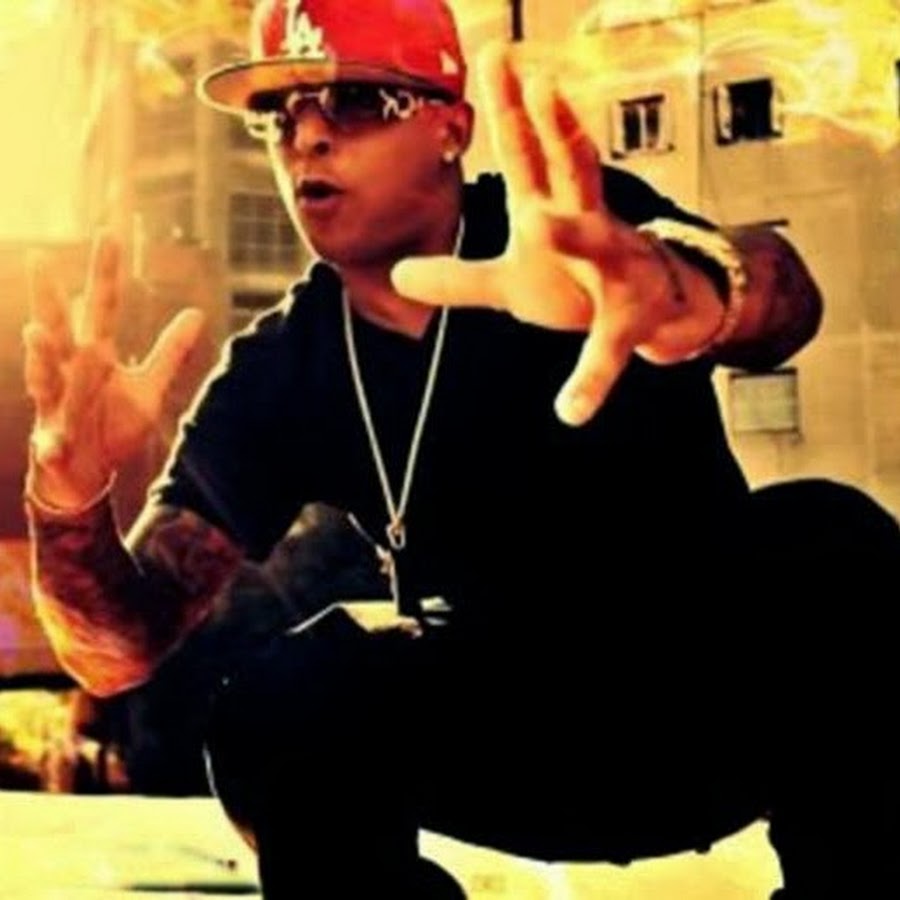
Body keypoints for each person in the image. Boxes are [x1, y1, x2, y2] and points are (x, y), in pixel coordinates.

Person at [21, 0, 899, 898]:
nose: (307, 136)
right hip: (510, 729)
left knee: (829, 539)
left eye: (356, 101)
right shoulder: (284, 368)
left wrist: (694, 293)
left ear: (450, 128)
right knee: (280, 704)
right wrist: (67, 501)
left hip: (707, 694)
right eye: (281, 112)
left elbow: (786, 297)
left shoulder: (565, 234)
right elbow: (118, 649)